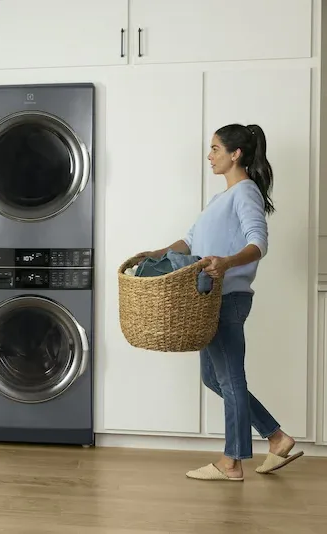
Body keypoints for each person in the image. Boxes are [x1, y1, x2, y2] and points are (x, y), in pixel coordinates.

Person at [143, 123, 302, 481]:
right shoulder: (219, 199)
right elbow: (189, 242)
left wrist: (228, 262)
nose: (209, 156)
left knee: (229, 379)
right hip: (207, 301)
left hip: (227, 298)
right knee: (215, 379)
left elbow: (258, 243)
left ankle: (232, 462)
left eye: (215, 148)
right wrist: (154, 253)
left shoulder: (246, 192)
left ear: (236, 154)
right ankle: (277, 438)